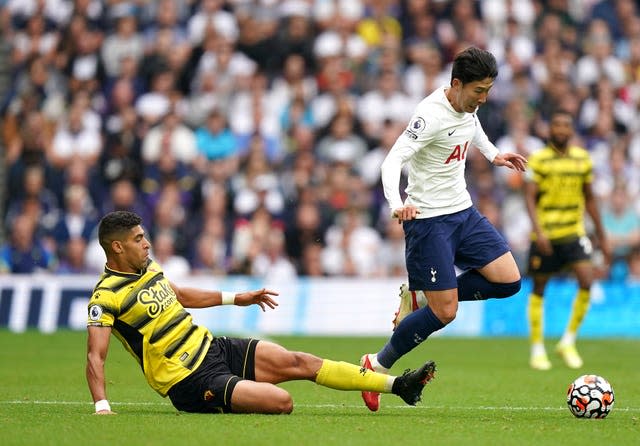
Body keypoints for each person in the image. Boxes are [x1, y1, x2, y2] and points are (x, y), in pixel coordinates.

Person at [86, 211, 436, 415]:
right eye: (138, 239)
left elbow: (178, 295)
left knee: (300, 361)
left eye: (144, 236)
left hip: (213, 349)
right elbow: (95, 356)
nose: (146, 243)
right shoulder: (106, 297)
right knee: (282, 402)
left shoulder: (149, 268)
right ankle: (231, 392)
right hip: (188, 381)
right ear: (117, 246)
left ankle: (398, 386)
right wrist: (102, 406)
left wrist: (236, 298)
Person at [359, 46, 528, 412]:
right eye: (478, 91)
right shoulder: (428, 115)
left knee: (509, 281)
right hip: (429, 222)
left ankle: (421, 297)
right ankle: (377, 365)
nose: (483, 99)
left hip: (463, 213)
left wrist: (493, 154)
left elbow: (471, 128)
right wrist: (395, 203)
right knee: (446, 312)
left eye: (488, 91)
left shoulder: (468, 107)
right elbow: (393, 160)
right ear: (456, 84)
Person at [524, 109, 611, 371]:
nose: (561, 129)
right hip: (546, 235)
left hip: (574, 232)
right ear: (550, 129)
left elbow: (590, 198)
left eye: (566, 125)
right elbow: (529, 197)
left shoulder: (582, 160)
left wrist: (602, 235)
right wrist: (538, 232)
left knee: (586, 279)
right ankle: (537, 348)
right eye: (557, 125)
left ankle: (568, 341)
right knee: (540, 288)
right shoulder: (538, 160)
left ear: (571, 130)